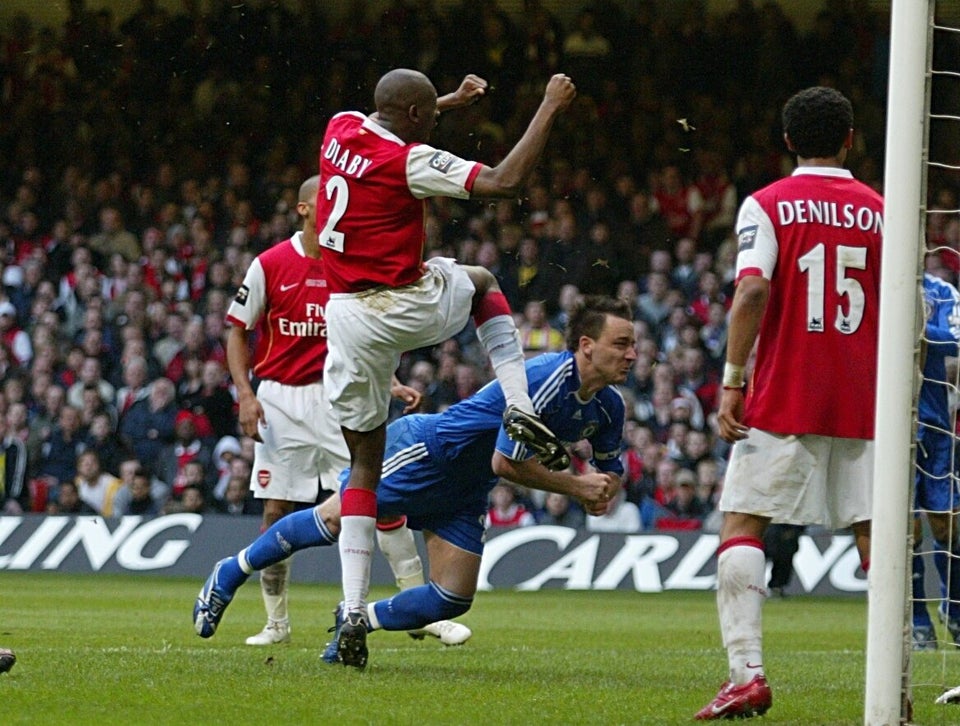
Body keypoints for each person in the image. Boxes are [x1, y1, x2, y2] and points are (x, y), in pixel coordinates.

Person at [193, 296, 634, 668]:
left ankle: (358, 619)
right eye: (621, 344)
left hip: (465, 488)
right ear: (586, 346)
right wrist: (579, 487)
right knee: (335, 519)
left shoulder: (609, 406)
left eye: (633, 344)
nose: (632, 354)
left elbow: (610, 464)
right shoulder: (545, 379)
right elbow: (506, 464)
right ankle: (231, 570)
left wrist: (606, 488)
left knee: (452, 599)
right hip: (428, 453)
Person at [316, 69, 576, 666]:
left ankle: (353, 608)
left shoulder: (341, 125)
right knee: (483, 282)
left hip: (344, 315)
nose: (435, 120)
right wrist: (548, 105)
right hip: (395, 304)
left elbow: (395, 113)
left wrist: (449, 101)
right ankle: (519, 403)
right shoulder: (410, 159)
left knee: (362, 465)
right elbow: (505, 182)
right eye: (429, 113)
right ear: (412, 118)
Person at [695, 87, 883, 720]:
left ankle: (746, 674)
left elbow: (751, 291)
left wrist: (731, 379)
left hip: (786, 392)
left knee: (744, 521)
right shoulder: (885, 210)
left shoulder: (769, 204)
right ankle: (897, 681)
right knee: (876, 534)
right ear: (850, 139)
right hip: (867, 398)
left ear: (787, 141)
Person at [225, 175, 468, 647]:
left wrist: (389, 381)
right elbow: (237, 329)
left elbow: (362, 334)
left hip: (339, 396)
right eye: (326, 199)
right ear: (303, 209)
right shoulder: (270, 264)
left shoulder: (349, 262)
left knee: (379, 500)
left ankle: (420, 612)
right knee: (277, 509)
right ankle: (276, 623)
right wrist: (245, 393)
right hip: (281, 400)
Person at [911, 272, 960, 650]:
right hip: (890, 425)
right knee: (904, 530)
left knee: (947, 525)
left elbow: (956, 341)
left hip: (936, 423)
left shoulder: (941, 290)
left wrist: (916, 328)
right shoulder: (878, 279)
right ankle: (917, 619)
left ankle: (952, 607)